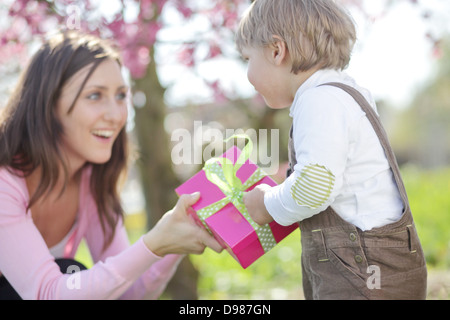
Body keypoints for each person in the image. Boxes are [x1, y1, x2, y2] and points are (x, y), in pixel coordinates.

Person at [0, 30, 222, 300]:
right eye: (94, 96)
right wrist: (152, 244)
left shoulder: (91, 183)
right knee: (70, 272)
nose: (116, 115)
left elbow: (127, 293)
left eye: (120, 96)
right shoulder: (5, 183)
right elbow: (48, 294)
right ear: (48, 103)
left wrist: (172, 242)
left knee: (73, 274)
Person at [238, 0, 427, 299]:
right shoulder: (345, 93)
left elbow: (314, 188)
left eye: (247, 58)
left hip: (361, 275)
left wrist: (266, 204)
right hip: (381, 266)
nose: (246, 73)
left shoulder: (319, 101)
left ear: (276, 51)